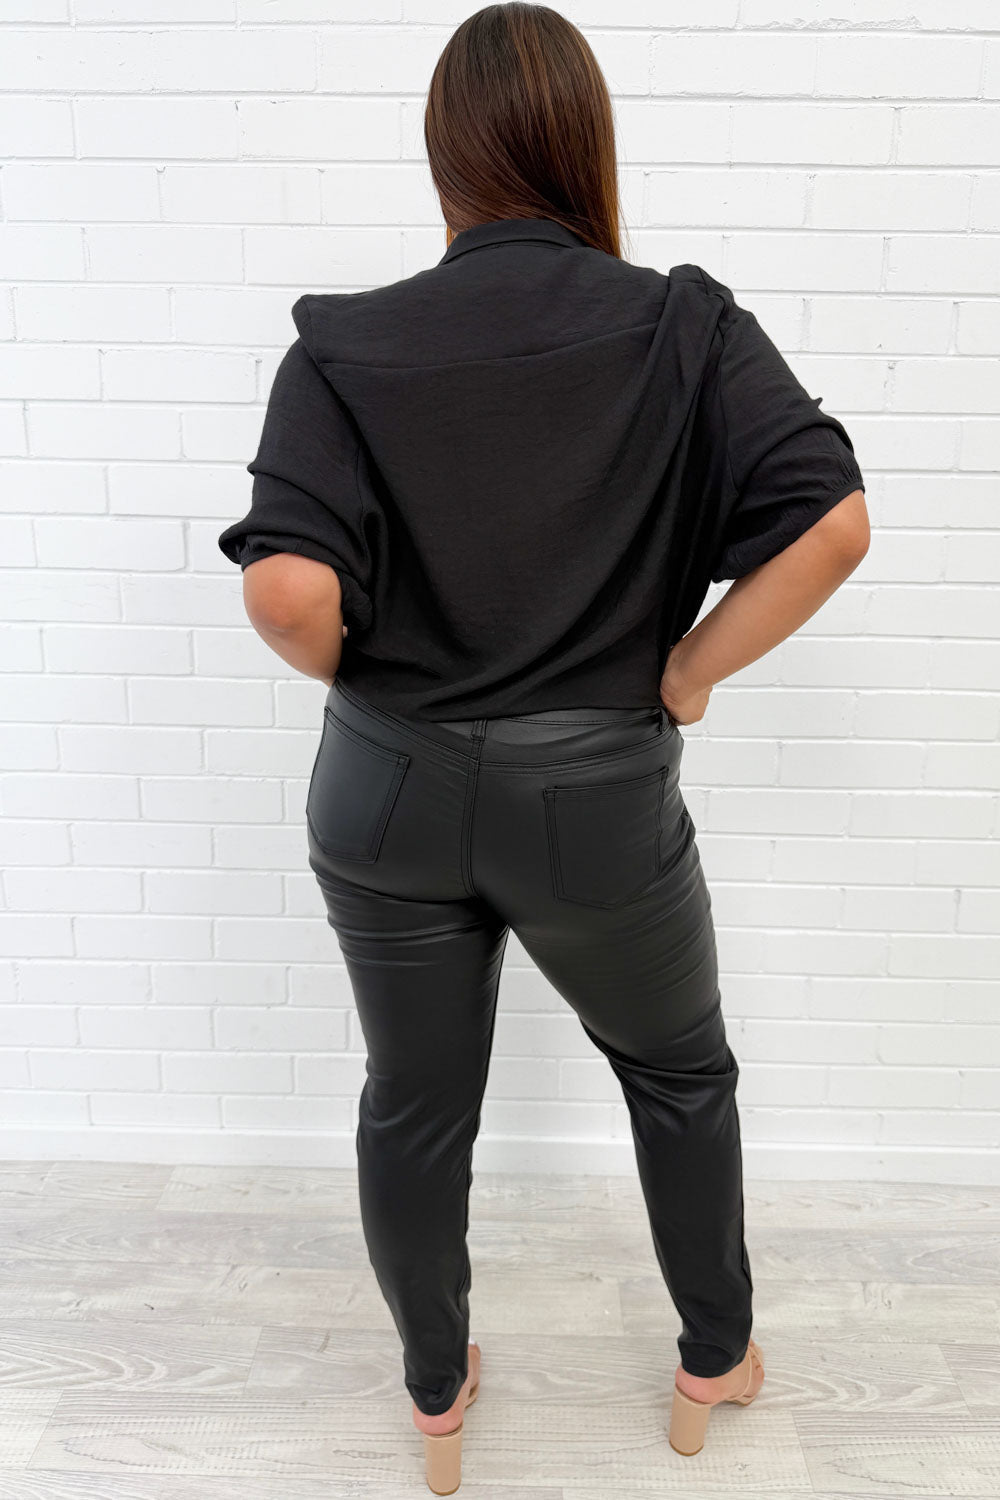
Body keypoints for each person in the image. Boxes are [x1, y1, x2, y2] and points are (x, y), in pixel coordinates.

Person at [217, 4, 870, 1491]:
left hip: (386, 787)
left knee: (412, 1103)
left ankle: (436, 1398)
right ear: (587, 144)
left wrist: (377, 690)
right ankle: (712, 1360)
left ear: (444, 156)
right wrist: (687, 670)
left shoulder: (343, 343)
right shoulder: (682, 325)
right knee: (679, 1073)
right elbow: (833, 524)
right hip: (593, 794)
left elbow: (287, 593)